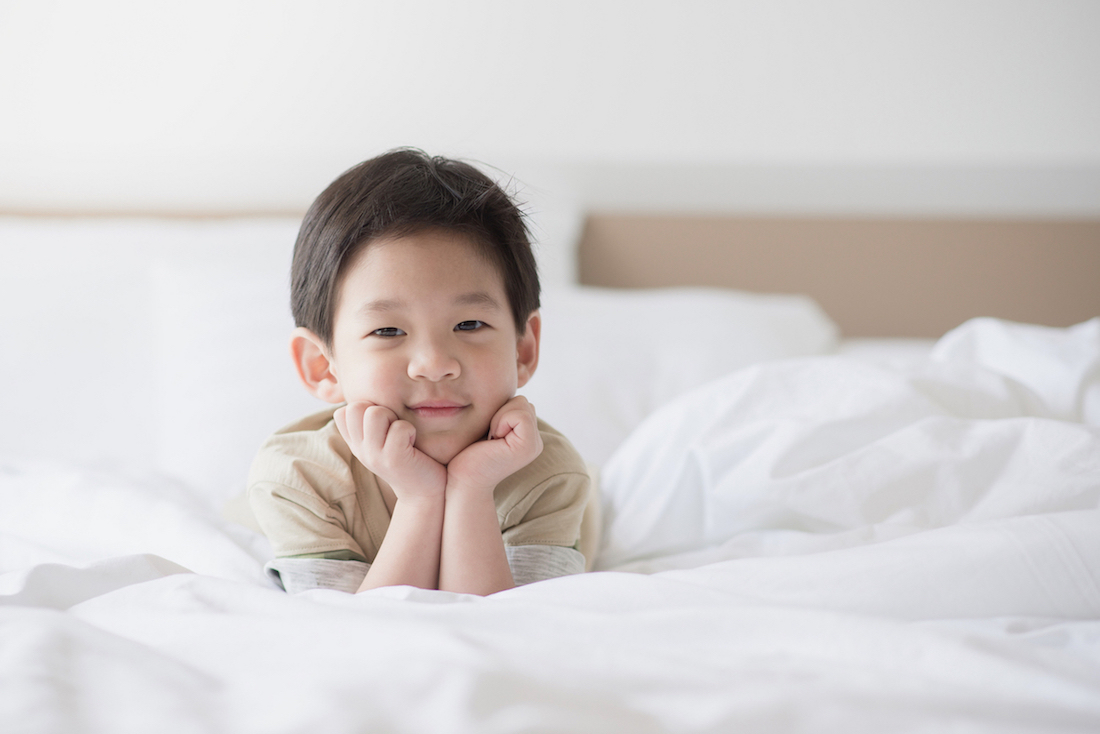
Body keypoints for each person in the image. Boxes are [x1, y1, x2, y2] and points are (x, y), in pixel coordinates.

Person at [248, 149, 592, 596]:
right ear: (321, 366)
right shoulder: (299, 478)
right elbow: (358, 637)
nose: (434, 363)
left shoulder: (549, 476)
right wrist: (421, 498)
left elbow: (510, 629)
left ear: (523, 350)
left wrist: (471, 490)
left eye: (469, 324)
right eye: (388, 330)